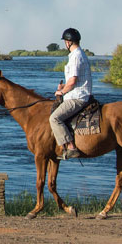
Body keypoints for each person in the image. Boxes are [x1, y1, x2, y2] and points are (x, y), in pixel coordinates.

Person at [49, 28, 92, 160]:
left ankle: (71, 147)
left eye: (65, 42)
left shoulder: (76, 56)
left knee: (54, 118)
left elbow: (73, 81)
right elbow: (74, 80)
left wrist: (61, 91)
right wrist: (64, 86)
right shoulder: (79, 54)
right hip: (78, 93)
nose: (65, 44)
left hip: (77, 97)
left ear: (68, 42)